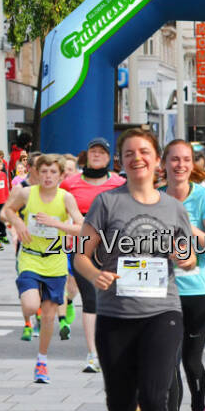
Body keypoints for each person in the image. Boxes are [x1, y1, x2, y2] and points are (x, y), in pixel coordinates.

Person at [74, 128, 197, 411]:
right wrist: (95, 275)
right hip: (115, 312)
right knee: (120, 403)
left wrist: (183, 256)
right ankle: (125, 409)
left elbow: (191, 258)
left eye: (144, 151)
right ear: (121, 161)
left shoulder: (173, 208)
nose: (137, 158)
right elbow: (81, 253)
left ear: (157, 160)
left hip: (163, 312)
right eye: (129, 153)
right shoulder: (107, 203)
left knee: (156, 395)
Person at [162, 139, 205, 411]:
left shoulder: (203, 198)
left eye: (186, 160)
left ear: (192, 164)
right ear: (164, 164)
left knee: (191, 362)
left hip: (196, 293)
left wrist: (187, 227)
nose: (180, 165)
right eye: (174, 159)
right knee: (168, 362)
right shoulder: (152, 198)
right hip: (161, 295)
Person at [3, 155, 84, 383]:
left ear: (60, 175)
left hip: (55, 260)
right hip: (30, 258)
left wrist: (57, 224)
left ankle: (42, 360)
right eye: (44, 172)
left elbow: (81, 227)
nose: (48, 176)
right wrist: (18, 222)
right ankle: (29, 317)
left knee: (49, 317)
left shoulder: (66, 198)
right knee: (30, 305)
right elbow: (8, 210)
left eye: (53, 172)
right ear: (37, 173)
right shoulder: (26, 193)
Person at [62, 140, 126, 371]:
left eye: (102, 152)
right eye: (93, 151)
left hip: (113, 249)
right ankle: (93, 354)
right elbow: (59, 211)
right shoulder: (70, 184)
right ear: (86, 156)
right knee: (91, 300)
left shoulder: (119, 183)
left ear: (109, 158)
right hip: (81, 248)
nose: (97, 155)